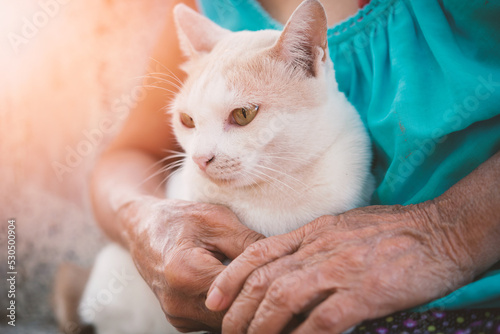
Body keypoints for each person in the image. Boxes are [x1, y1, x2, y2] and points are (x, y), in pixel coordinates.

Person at [90, 0, 500, 332]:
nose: (201, 155)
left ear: (308, 59)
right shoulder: (204, 10)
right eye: (189, 122)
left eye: (243, 115)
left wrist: (447, 233)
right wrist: (144, 220)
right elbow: (130, 155)